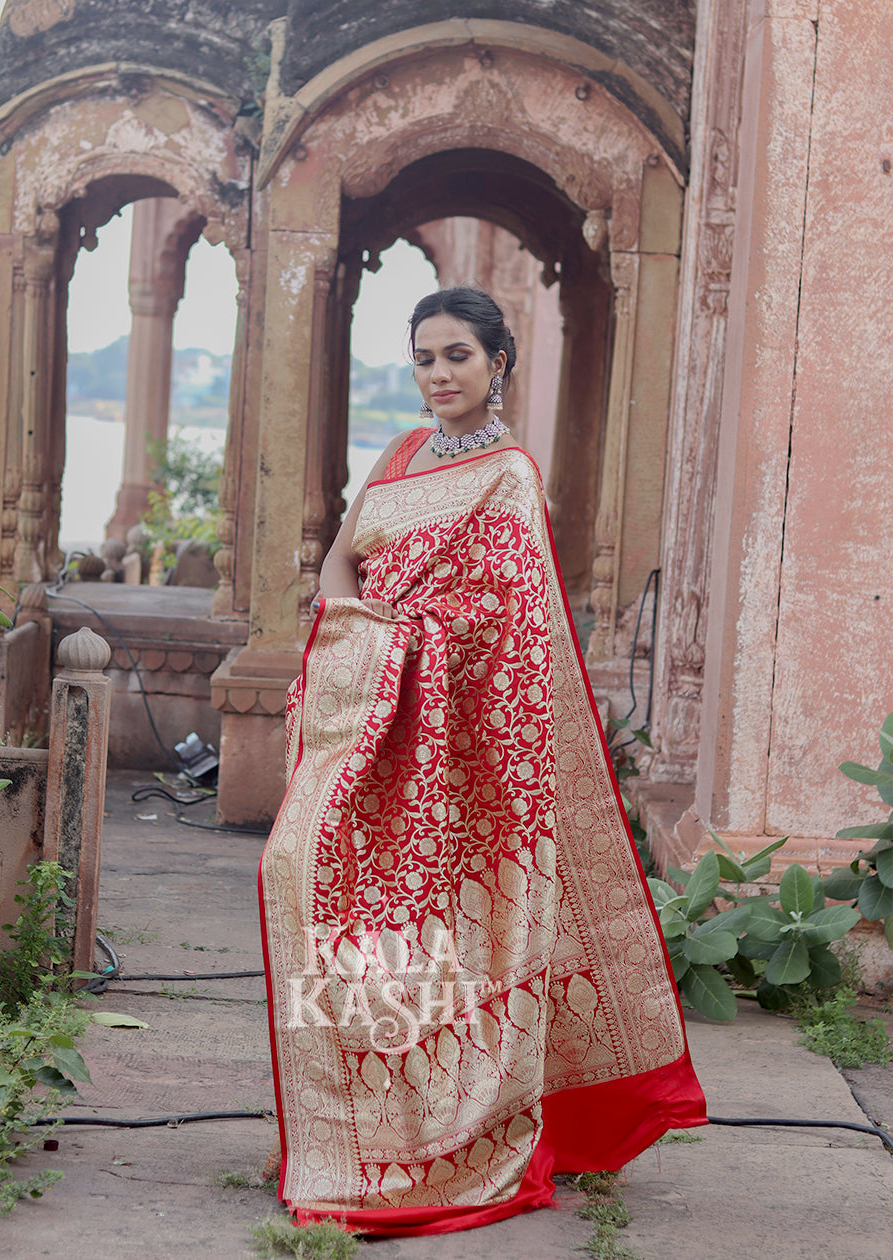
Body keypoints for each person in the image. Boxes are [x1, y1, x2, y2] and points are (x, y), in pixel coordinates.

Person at [259, 286, 706, 1236]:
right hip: (369, 719)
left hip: (457, 751)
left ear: (497, 363)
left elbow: (504, 627)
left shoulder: (508, 478)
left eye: (457, 355)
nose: (439, 374)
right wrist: (363, 631)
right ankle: (347, 1126)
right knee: (302, 878)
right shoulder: (399, 455)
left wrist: (410, 641)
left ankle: (443, 1132)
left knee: (441, 940)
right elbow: (342, 560)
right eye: (424, 358)